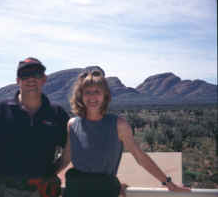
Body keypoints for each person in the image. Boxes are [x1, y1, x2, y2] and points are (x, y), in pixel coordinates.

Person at [59, 66, 191, 197]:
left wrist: (168, 183)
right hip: (75, 191)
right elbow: (65, 158)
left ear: (105, 96)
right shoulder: (72, 124)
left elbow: (140, 156)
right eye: (87, 92)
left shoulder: (118, 125)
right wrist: (45, 176)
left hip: (104, 191)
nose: (92, 96)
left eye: (97, 91)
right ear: (80, 96)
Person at [0, 57, 69, 197]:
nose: (31, 79)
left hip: (43, 191)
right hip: (4, 190)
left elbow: (70, 150)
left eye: (36, 74)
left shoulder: (57, 114)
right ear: (17, 80)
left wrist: (52, 173)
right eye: (25, 75)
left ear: (44, 79)